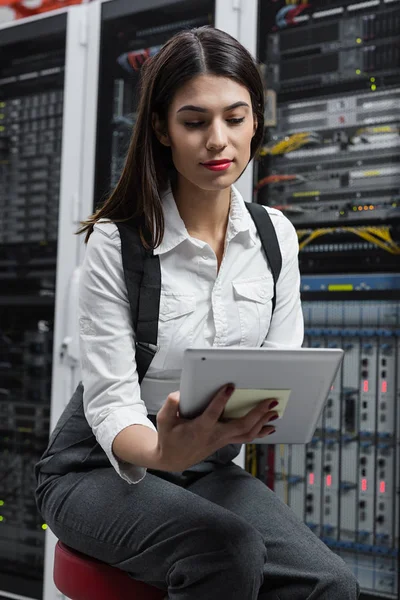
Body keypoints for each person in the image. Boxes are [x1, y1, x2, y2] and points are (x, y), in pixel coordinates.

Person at [35, 26, 360, 600]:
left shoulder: (275, 236)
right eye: (194, 121)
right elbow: (110, 401)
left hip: (203, 469)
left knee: (329, 583)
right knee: (225, 551)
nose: (218, 140)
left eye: (235, 119)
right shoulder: (119, 242)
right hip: (94, 469)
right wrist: (163, 450)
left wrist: (257, 417)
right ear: (161, 128)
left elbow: (281, 372)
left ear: (255, 121)